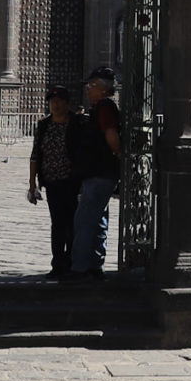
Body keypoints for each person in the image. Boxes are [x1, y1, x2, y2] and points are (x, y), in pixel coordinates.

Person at [70, 68, 123, 277]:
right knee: (99, 219)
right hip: (104, 172)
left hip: (100, 172)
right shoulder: (102, 107)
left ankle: (80, 267)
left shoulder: (104, 107)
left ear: (101, 89)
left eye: (90, 86)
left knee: (84, 220)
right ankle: (95, 264)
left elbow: (110, 134)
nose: (87, 90)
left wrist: (117, 153)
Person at [26, 87, 82, 277]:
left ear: (67, 103)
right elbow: (35, 155)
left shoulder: (78, 123)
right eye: (52, 101)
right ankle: (58, 263)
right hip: (52, 182)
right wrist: (32, 184)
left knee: (73, 223)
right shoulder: (44, 125)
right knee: (57, 223)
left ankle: (74, 261)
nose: (55, 105)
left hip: (73, 181)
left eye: (59, 101)